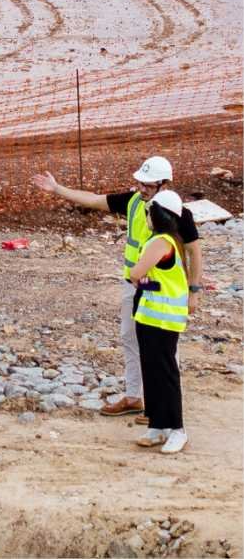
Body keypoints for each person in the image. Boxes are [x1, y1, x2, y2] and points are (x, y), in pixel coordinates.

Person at [31, 156, 203, 419]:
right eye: (140, 182)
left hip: (162, 292)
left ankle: (163, 407)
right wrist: (58, 189)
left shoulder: (175, 212)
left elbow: (194, 251)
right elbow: (95, 199)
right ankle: (135, 397)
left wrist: (194, 291)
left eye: (148, 184)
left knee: (165, 350)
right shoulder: (134, 202)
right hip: (134, 286)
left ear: (164, 184)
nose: (142, 188)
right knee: (131, 339)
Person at [129, 190, 190, 454]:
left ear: (157, 214)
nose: (145, 217)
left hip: (162, 320)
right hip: (151, 315)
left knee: (164, 372)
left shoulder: (161, 242)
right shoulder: (171, 239)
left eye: (147, 212)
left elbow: (135, 271)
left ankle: (176, 429)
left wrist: (139, 277)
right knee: (151, 369)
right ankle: (157, 424)